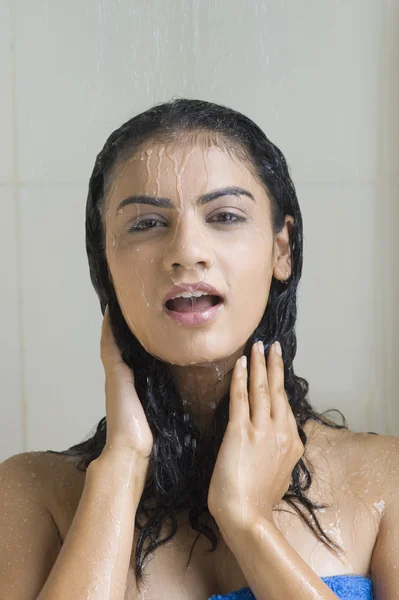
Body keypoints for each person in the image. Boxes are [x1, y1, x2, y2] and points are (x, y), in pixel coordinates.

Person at [0, 98, 397, 600]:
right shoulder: (30, 493)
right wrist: (120, 468)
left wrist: (249, 523)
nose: (187, 251)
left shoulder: (387, 480)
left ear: (282, 248)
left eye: (225, 216)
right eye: (146, 224)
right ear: (105, 263)